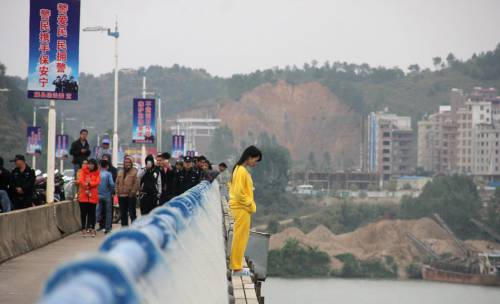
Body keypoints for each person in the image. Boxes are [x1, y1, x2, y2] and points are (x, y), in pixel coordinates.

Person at [229, 146, 262, 276]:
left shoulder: (238, 169)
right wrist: (250, 204)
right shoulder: (242, 171)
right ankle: (236, 267)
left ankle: (236, 265)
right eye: (255, 160)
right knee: (240, 238)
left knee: (240, 237)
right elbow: (238, 193)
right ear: (249, 157)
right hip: (242, 209)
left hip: (239, 208)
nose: (255, 163)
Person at [78, 159, 100, 237]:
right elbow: (81, 180)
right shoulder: (83, 172)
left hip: (93, 196)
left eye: (92, 164)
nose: (90, 165)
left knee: (92, 214)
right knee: (83, 214)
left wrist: (90, 184)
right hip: (83, 196)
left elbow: (97, 182)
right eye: (89, 164)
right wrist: (86, 185)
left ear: (95, 165)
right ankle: (83, 229)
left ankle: (92, 228)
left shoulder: (97, 173)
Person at [116, 155, 139, 227]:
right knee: (123, 214)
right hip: (121, 196)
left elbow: (136, 183)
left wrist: (132, 193)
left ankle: (134, 229)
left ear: (132, 163)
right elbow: (117, 183)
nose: (127, 164)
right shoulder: (120, 171)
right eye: (126, 162)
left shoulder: (135, 171)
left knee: (132, 214)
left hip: (130, 196)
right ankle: (124, 229)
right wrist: (117, 192)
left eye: (129, 162)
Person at [97, 159, 114, 234]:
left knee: (97, 211)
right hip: (107, 195)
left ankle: (91, 226)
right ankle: (108, 228)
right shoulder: (108, 174)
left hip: (98, 195)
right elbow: (112, 184)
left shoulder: (97, 173)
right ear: (107, 166)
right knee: (108, 212)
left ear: (100, 166)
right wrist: (112, 191)